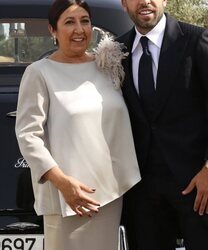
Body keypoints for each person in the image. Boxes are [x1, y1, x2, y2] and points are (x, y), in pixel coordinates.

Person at [15, 0, 141, 249]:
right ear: (53, 30)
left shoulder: (106, 66)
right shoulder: (39, 73)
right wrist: (63, 183)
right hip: (67, 197)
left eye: (85, 21)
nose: (79, 29)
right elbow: (28, 136)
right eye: (69, 22)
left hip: (110, 194)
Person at [118, 0, 208, 249]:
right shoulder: (117, 50)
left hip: (197, 187)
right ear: (123, 3)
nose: (144, 1)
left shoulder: (196, 40)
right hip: (143, 194)